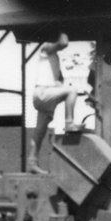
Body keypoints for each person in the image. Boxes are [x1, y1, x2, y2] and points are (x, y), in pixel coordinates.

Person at [27, 32, 84, 175]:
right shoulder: (45, 48)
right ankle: (69, 122)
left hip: (43, 95)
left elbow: (58, 83)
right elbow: (63, 43)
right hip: (43, 93)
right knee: (72, 90)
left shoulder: (53, 59)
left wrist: (65, 90)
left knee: (39, 133)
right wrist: (63, 29)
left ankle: (31, 162)